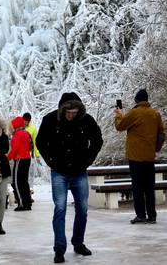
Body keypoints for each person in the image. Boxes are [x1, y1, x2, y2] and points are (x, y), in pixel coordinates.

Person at [36, 92, 103, 263]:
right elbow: (41, 142)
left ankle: (78, 242)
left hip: (79, 171)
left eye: (74, 112)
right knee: (60, 208)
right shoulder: (50, 120)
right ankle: (59, 247)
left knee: (82, 209)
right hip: (59, 171)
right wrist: (51, 161)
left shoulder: (86, 120)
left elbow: (97, 140)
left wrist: (87, 160)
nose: (71, 115)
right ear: (62, 110)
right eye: (68, 112)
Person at [114, 89, 165, 224]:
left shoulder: (134, 112)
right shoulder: (155, 114)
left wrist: (119, 114)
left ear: (136, 100)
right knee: (149, 188)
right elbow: (161, 133)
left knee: (137, 187)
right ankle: (152, 216)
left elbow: (120, 126)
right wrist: (156, 148)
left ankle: (141, 215)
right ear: (147, 100)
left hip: (135, 157)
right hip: (149, 157)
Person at [8, 116, 32, 211]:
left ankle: (21, 203)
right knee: (24, 182)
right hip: (27, 158)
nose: (10, 128)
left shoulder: (17, 134)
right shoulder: (25, 133)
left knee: (17, 182)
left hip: (20, 159)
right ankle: (27, 203)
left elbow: (15, 149)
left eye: (11, 126)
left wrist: (8, 158)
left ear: (15, 126)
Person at [23, 112, 42, 196]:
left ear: (29, 121)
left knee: (30, 172)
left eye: (27, 121)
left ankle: (30, 189)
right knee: (24, 173)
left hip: (30, 154)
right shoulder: (19, 128)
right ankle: (23, 191)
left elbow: (35, 142)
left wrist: (37, 155)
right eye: (24, 120)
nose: (25, 122)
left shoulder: (33, 128)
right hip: (21, 155)